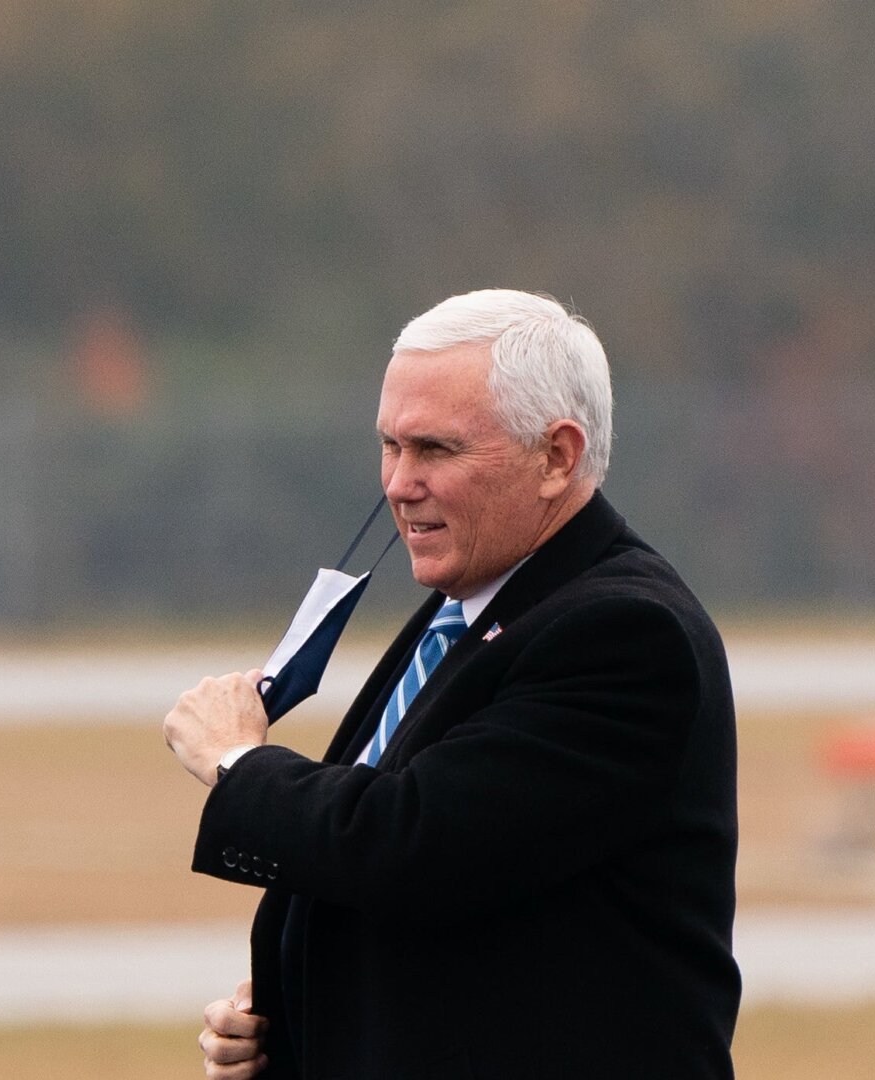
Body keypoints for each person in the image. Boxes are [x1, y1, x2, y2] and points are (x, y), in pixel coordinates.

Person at [164, 289, 740, 1079]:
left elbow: (411, 844)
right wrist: (289, 1027)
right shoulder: (467, 610)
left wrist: (240, 763)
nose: (399, 483)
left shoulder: (625, 634)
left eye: (435, 450)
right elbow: (426, 907)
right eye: (389, 446)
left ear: (558, 457)